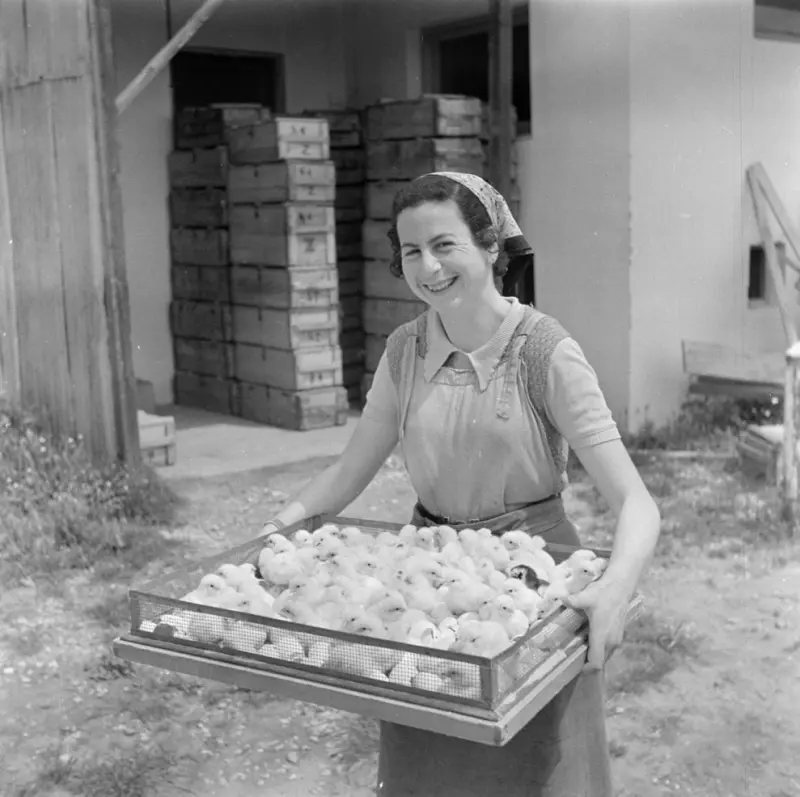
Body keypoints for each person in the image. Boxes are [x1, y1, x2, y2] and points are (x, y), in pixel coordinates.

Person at [262, 172, 661, 797]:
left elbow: (637, 503)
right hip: (429, 592)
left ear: (491, 247)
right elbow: (347, 472)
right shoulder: (404, 352)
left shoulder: (543, 352)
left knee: (534, 766)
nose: (428, 267)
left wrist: (614, 589)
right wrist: (278, 528)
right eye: (411, 251)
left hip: (532, 589)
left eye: (445, 245)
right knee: (432, 763)